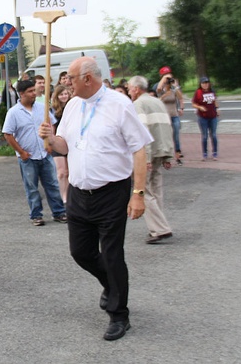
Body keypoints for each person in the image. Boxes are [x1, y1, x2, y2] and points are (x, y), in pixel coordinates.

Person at [38, 56, 153, 341]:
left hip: (112, 193)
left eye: (71, 78)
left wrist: (138, 194)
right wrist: (51, 139)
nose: (67, 83)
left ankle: (119, 315)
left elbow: (139, 150)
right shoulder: (74, 105)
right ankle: (111, 285)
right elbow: (64, 146)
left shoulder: (119, 104)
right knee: (81, 252)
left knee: (113, 255)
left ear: (88, 78)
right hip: (79, 193)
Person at [2, 79, 67, 226]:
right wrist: (21, 152)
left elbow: (51, 124)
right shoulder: (13, 113)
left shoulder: (42, 108)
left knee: (52, 184)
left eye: (34, 90)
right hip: (28, 157)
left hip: (44, 153)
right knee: (31, 187)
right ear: (22, 94)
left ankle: (59, 212)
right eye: (30, 91)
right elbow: (8, 134)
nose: (34, 94)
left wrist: (51, 142)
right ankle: (36, 215)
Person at [127, 76, 175, 244]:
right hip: (161, 150)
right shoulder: (157, 102)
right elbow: (167, 127)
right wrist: (169, 154)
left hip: (149, 153)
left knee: (144, 191)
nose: (128, 91)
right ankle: (157, 225)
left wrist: (144, 157)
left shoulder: (138, 104)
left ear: (136, 89)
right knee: (156, 190)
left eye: (130, 88)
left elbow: (141, 132)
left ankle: (160, 228)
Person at [157, 67, 185, 165]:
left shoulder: (174, 89)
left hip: (174, 115)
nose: (168, 78)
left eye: (169, 74)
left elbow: (181, 98)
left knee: (176, 136)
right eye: (166, 75)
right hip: (165, 117)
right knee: (166, 137)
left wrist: (181, 108)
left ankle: (178, 156)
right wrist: (164, 79)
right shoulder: (160, 87)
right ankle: (166, 158)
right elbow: (158, 90)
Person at [50, 84, 71, 204]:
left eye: (66, 94)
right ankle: (62, 195)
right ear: (57, 96)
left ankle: (68, 194)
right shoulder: (52, 110)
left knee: (69, 172)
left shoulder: (71, 108)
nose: (64, 96)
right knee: (61, 172)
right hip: (57, 142)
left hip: (69, 143)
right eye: (61, 94)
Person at [191, 77, 220, 161]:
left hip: (213, 116)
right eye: (203, 83)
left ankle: (215, 152)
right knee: (204, 136)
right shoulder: (198, 92)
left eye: (207, 83)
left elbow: (215, 100)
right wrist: (200, 107)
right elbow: (193, 103)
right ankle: (205, 153)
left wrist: (217, 108)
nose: (205, 85)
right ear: (200, 84)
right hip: (203, 117)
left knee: (213, 135)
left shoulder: (212, 91)